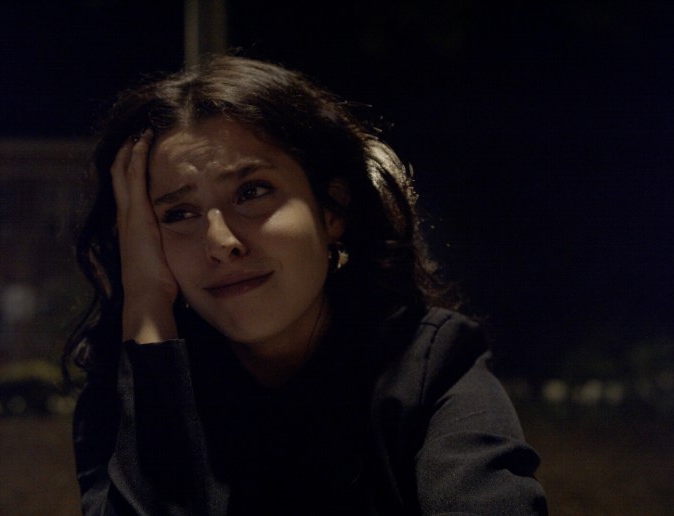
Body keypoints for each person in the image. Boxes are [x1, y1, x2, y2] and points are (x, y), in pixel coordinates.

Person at [64, 54, 548, 515]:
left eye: (252, 191)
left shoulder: (431, 365)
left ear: (332, 209)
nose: (221, 242)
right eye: (178, 214)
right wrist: (146, 305)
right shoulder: (130, 392)